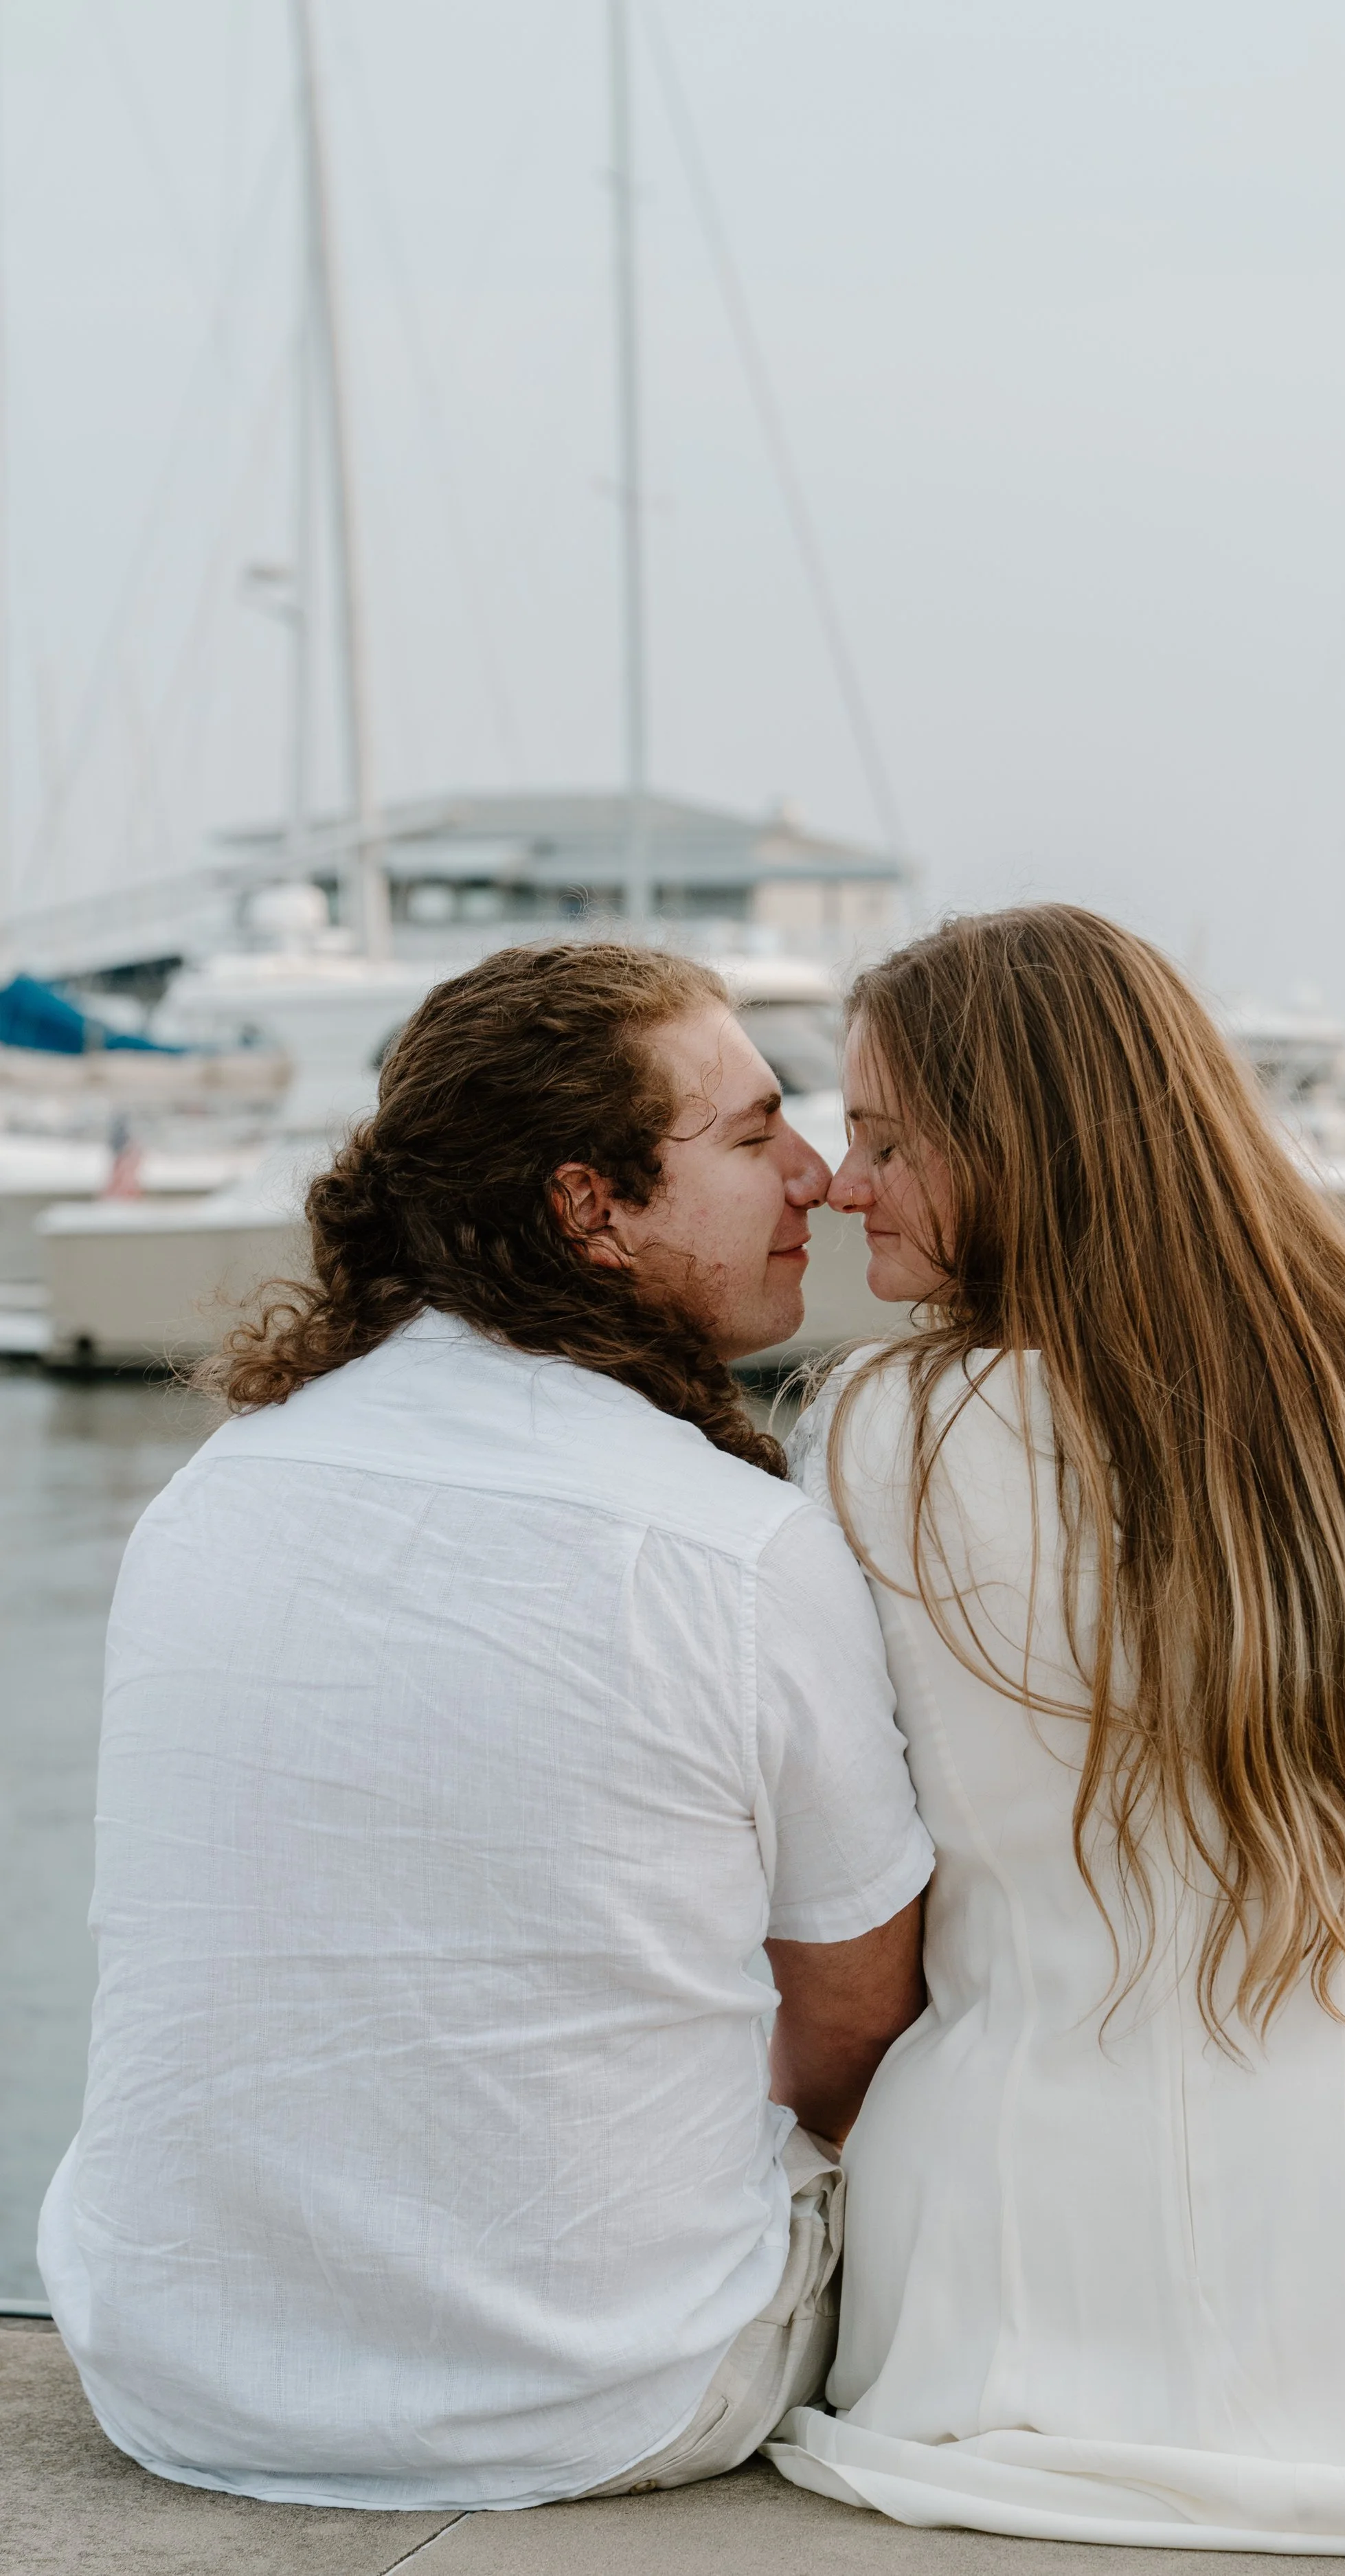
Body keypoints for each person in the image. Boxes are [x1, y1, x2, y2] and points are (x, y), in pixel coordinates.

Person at [767, 905, 1345, 2562]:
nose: (842, 1185)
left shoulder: (867, 1437)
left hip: (1001, 2232)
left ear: (1026, 1150)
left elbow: (861, 1899)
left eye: (885, 1138)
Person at [38, 942, 933, 2511]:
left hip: (171, 2364)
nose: (813, 1177)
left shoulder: (210, 1496)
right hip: (605, 2395)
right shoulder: (734, 1546)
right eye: (747, 1139)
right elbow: (859, 2019)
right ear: (589, 1208)